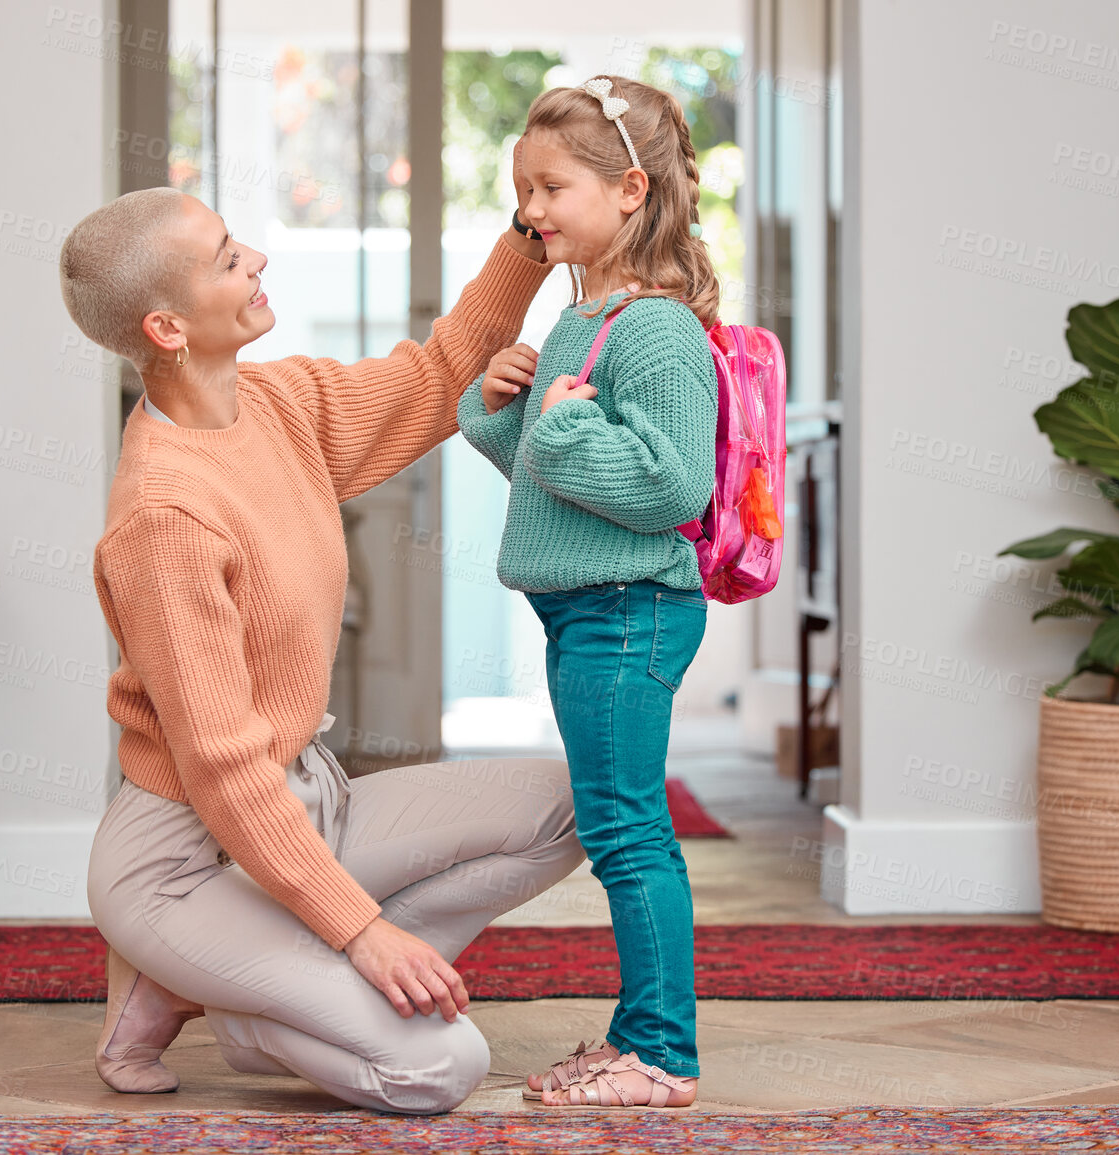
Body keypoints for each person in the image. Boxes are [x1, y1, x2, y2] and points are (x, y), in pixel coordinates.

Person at [60, 143, 587, 1115]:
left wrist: (532, 234)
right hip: (183, 860)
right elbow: (222, 773)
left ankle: (241, 977)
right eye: (226, 258)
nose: (255, 257)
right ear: (167, 326)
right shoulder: (164, 518)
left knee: (572, 801)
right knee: (442, 1068)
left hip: (313, 807)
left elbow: (439, 376)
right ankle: (247, 1006)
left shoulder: (278, 403)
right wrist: (361, 934)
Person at [455, 75, 720, 1109]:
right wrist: (500, 412)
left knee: (625, 828)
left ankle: (660, 1053)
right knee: (618, 822)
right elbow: (554, 473)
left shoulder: (655, 330)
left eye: (552, 186)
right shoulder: (585, 318)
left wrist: (561, 425)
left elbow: (672, 486)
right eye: (523, 188)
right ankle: (635, 1036)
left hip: (629, 606)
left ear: (628, 190)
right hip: (588, 607)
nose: (531, 209)